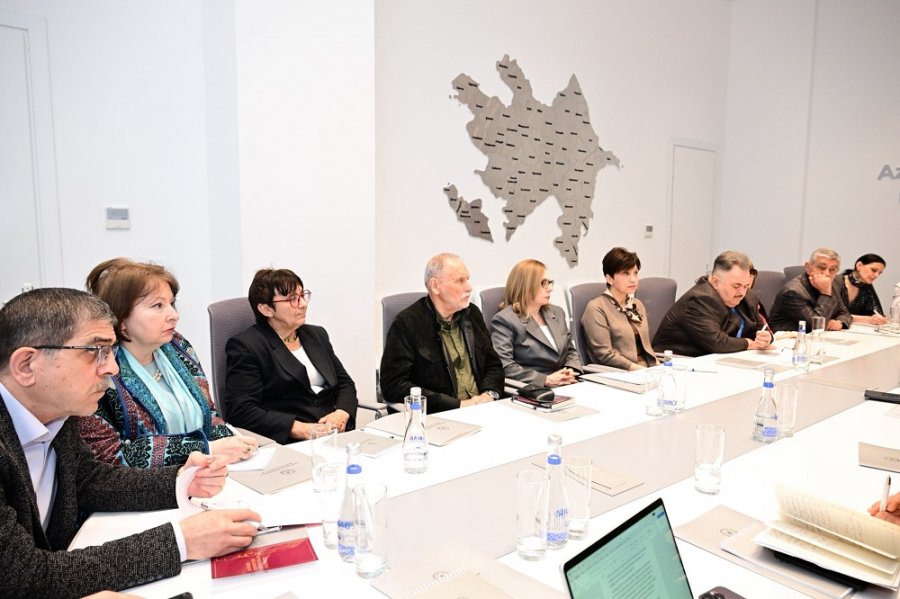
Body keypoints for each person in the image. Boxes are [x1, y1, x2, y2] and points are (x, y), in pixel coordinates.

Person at [0, 288, 259, 597]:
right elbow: (24, 578)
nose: (112, 368)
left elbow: (89, 481)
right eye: (95, 351)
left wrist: (180, 482)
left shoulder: (57, 414)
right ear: (26, 365)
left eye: (110, 352)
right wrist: (180, 541)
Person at [79, 258, 255, 468]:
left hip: (211, 472)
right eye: (158, 305)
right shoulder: (99, 370)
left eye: (171, 303)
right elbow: (110, 455)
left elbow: (210, 415)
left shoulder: (178, 347)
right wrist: (204, 448)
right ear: (122, 319)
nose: (174, 315)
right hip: (151, 485)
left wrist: (233, 441)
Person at [225, 268, 358, 443]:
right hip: (290, 443)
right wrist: (300, 429)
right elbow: (241, 410)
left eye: (302, 295)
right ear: (266, 309)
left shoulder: (317, 335)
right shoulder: (247, 346)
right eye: (292, 299)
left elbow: (345, 383)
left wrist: (341, 413)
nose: (303, 304)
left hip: (334, 436)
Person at [380, 252, 505, 413]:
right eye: (460, 281)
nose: (469, 287)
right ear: (435, 286)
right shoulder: (407, 324)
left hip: (484, 409)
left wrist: (489, 395)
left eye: (467, 279)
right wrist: (458, 405)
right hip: (441, 415)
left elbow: (494, 365)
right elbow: (393, 385)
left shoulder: (472, 314)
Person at [652, 251, 773, 357]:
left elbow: (761, 327)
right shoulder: (699, 300)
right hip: (680, 362)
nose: (742, 292)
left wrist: (766, 338)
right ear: (715, 282)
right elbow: (717, 342)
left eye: (746, 286)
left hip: (719, 359)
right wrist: (749, 344)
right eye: (736, 286)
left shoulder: (748, 297)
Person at [490, 259, 581, 386]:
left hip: (567, 383)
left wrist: (571, 370)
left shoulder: (557, 312)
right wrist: (546, 380)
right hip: (535, 388)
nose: (550, 288)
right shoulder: (505, 320)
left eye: (549, 282)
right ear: (527, 286)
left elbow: (570, 350)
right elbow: (505, 365)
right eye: (544, 283)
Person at [582, 247, 657, 370]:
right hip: (620, 372)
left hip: (646, 370)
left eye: (635, 273)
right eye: (625, 273)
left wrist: (660, 368)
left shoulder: (637, 304)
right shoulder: (596, 308)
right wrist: (643, 371)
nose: (633, 279)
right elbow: (604, 355)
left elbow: (647, 348)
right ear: (609, 278)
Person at [769, 248, 853, 332]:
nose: (827, 274)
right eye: (821, 267)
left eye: (832, 269)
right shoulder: (793, 291)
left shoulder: (830, 284)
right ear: (808, 267)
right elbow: (816, 326)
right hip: (790, 337)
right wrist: (825, 293)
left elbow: (845, 313)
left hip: (816, 336)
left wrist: (839, 322)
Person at [835, 253, 888, 325]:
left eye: (880, 273)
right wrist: (866, 319)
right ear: (859, 265)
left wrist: (879, 318)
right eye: (873, 270)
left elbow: (876, 311)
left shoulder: (867, 286)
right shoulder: (835, 281)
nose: (876, 275)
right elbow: (830, 314)